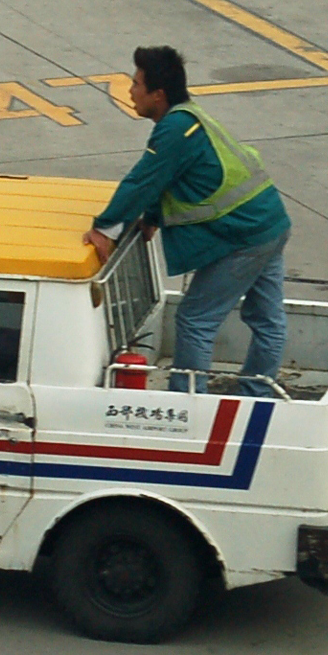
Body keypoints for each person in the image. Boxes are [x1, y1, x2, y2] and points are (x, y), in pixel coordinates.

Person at [83, 46, 292, 396]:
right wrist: (151, 217)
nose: (130, 91)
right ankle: (257, 396)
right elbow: (173, 178)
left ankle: (186, 404)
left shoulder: (176, 129)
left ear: (158, 94)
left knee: (196, 320)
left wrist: (104, 229)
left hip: (244, 237)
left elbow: (144, 181)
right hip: (270, 224)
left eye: (136, 84)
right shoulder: (190, 116)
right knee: (267, 320)